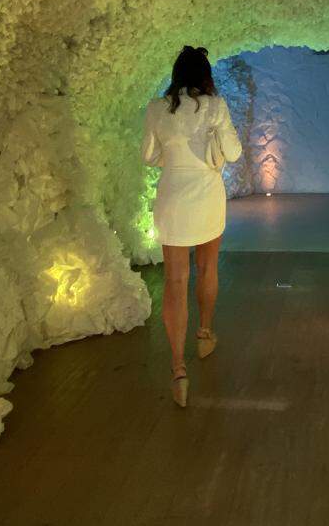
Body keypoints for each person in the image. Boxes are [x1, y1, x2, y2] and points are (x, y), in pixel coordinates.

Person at [141, 45, 242, 407]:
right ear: (205, 75)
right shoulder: (215, 107)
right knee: (208, 267)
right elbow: (232, 153)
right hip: (206, 196)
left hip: (172, 199)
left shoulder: (157, 109)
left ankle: (178, 369)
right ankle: (204, 333)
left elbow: (149, 156)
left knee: (175, 281)